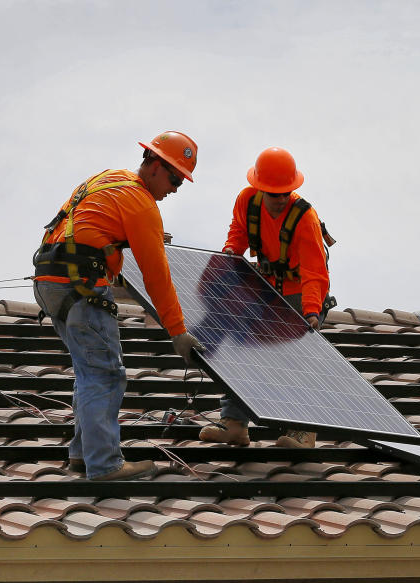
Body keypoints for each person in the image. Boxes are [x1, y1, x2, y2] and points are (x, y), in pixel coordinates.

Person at [32, 131, 205, 480]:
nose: (175, 188)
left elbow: (88, 227)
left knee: (88, 370)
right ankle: (105, 464)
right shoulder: (142, 204)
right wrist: (178, 332)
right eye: (174, 178)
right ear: (154, 166)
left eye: (181, 183)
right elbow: (157, 278)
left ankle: (83, 454)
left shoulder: (110, 179)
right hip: (82, 286)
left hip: (49, 279)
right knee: (105, 373)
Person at [199, 147, 330, 449]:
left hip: (300, 291)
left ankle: (303, 431)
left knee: (297, 356)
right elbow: (238, 234)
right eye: (274, 193)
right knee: (239, 346)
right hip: (266, 285)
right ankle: (234, 423)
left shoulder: (305, 218)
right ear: (259, 188)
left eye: (286, 193)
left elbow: (315, 272)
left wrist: (311, 311)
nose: (281, 199)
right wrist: (230, 255)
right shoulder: (247, 201)